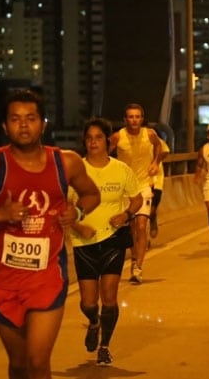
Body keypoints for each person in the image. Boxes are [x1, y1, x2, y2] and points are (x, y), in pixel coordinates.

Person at [0, 89, 101, 379]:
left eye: (30, 118)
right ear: (5, 126)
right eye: (16, 119)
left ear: (42, 123)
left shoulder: (66, 162)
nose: (23, 125)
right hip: (5, 281)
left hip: (48, 277)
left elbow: (91, 194)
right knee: (19, 365)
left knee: (37, 361)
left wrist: (78, 213)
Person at [68, 118, 142, 366]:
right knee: (88, 302)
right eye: (89, 138)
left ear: (108, 142)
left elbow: (137, 199)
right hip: (83, 241)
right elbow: (65, 208)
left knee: (109, 297)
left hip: (113, 239)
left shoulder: (121, 170)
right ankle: (93, 321)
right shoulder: (76, 170)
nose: (93, 143)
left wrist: (126, 214)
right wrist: (79, 226)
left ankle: (105, 346)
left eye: (98, 138)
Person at [109, 103, 166, 284]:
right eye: (131, 117)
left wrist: (156, 162)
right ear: (126, 119)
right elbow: (102, 153)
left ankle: (138, 267)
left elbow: (159, 147)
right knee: (132, 228)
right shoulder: (118, 137)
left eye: (137, 117)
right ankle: (134, 257)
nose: (134, 120)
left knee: (141, 226)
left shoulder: (149, 134)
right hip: (125, 188)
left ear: (142, 119)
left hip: (143, 185)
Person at [149, 135, 171, 241]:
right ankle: (142, 241)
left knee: (151, 211)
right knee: (139, 214)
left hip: (156, 180)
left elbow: (166, 151)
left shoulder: (155, 139)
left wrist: (156, 160)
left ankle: (153, 218)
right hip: (140, 180)